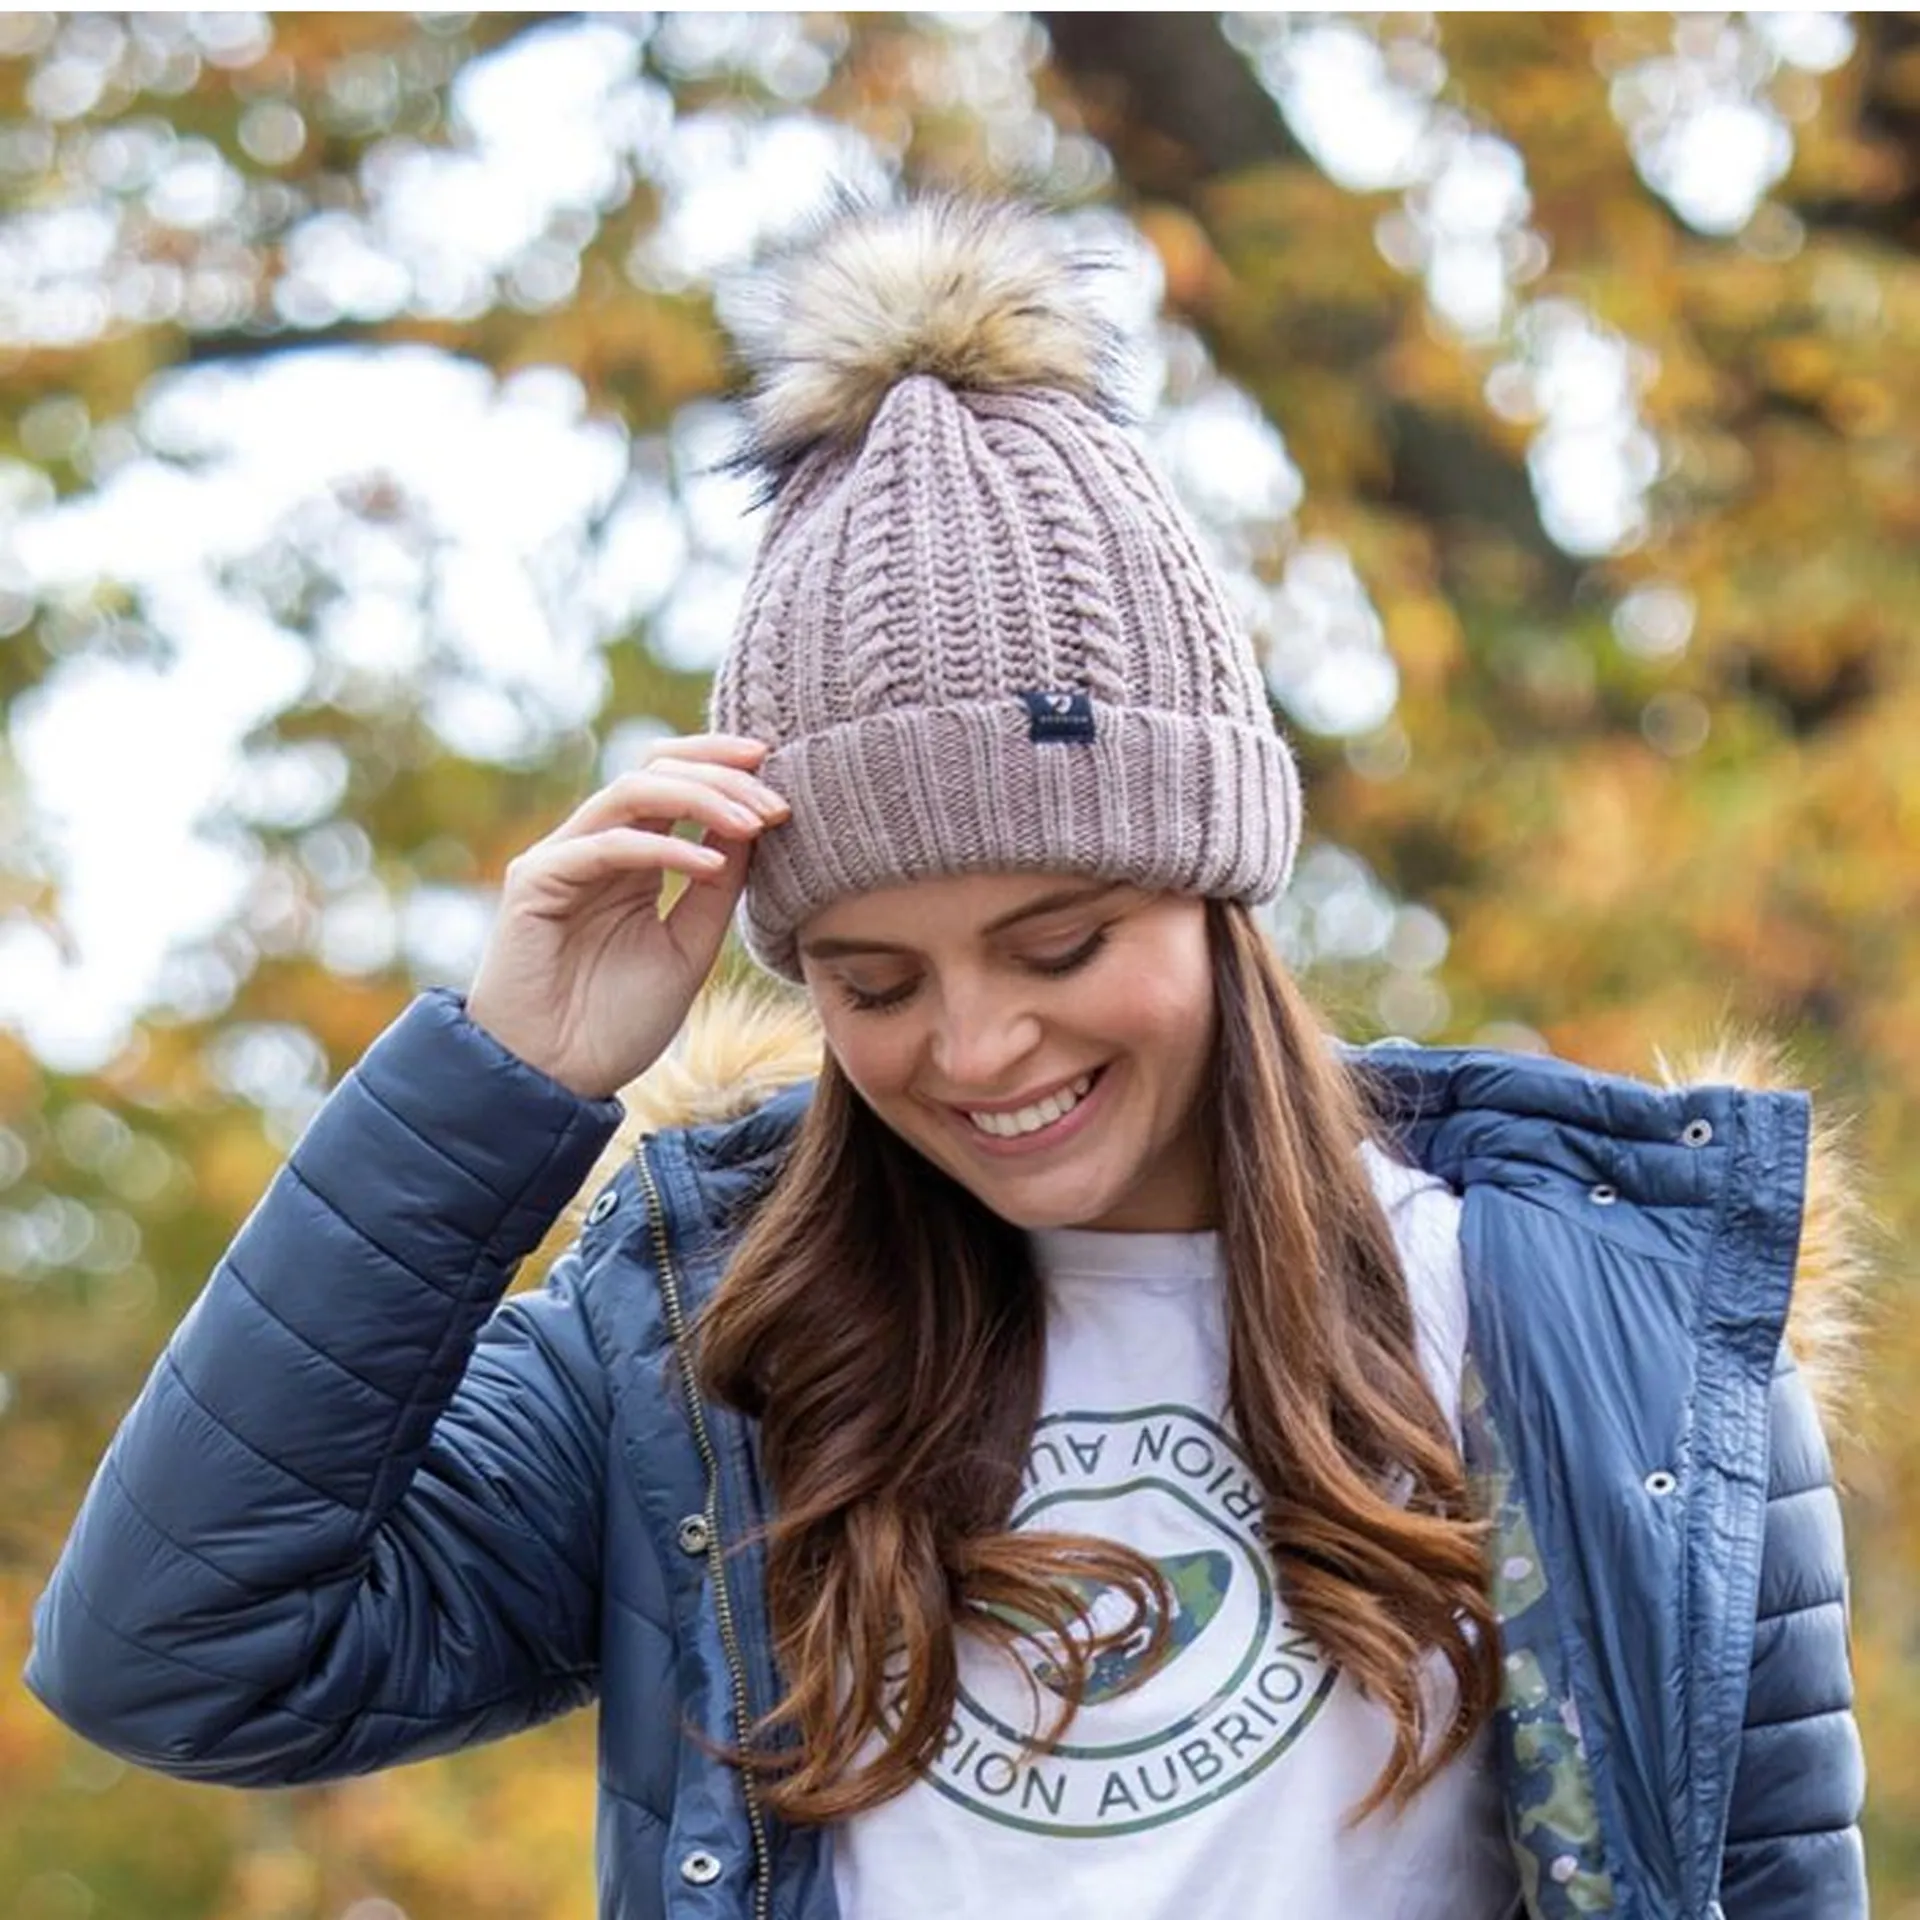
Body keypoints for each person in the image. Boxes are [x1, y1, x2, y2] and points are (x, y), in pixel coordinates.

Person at [27, 197, 1866, 1920]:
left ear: (1219, 896)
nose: (978, 1045)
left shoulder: (1606, 1339)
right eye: (874, 982)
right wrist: (501, 1085)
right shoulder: (701, 1351)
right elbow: (173, 1658)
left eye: (1060, 946)